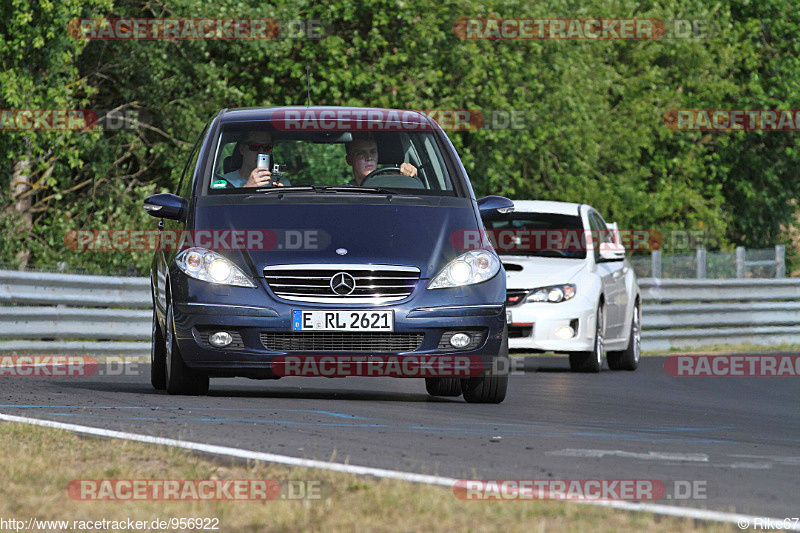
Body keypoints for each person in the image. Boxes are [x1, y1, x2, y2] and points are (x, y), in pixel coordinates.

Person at [221, 131, 291, 188]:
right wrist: (247, 188)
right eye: (254, 146)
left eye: (267, 147)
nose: (261, 152)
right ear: (242, 149)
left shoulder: (282, 183)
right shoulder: (223, 183)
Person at [344, 132, 417, 186]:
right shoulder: (342, 193)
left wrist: (409, 174)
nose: (369, 158)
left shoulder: (394, 184)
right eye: (361, 153)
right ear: (349, 160)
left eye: (373, 152)